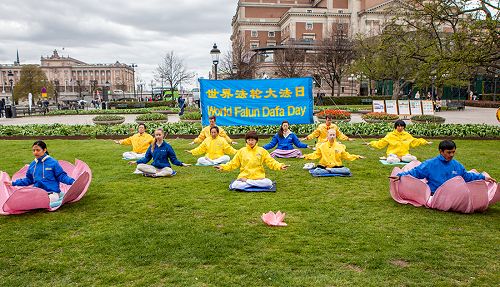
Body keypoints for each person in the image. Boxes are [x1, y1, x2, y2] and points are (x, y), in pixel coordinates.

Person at [391, 140, 496, 195]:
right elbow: (416, 172)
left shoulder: (457, 165)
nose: (451, 155)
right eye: (448, 152)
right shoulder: (430, 164)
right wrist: (400, 176)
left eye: (453, 152)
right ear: (441, 152)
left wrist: (483, 178)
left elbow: (466, 176)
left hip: (452, 194)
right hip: (434, 194)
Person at [214, 131, 289, 190]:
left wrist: (280, 166)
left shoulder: (262, 151)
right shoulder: (241, 151)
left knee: (268, 183)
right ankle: (253, 184)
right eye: (249, 140)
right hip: (245, 176)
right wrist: (222, 167)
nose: (250, 142)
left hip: (257, 177)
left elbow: (271, 161)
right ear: (246, 141)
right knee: (235, 185)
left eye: (252, 140)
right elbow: (233, 163)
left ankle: (248, 183)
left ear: (256, 141)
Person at [6, 141, 75, 204]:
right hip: (37, 192)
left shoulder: (53, 163)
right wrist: (13, 183)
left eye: (38, 150)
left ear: (44, 150)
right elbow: (29, 179)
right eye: (34, 150)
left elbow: (61, 176)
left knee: (48, 200)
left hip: (51, 192)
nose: (35, 152)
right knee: (22, 200)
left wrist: (72, 181)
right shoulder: (32, 165)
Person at [367, 120, 431, 163]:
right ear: (396, 127)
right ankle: (399, 159)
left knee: (414, 159)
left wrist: (425, 142)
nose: (400, 128)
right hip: (393, 155)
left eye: (402, 126)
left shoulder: (407, 135)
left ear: (404, 127)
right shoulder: (390, 135)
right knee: (390, 160)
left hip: (404, 155)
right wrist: (371, 143)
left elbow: (415, 141)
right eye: (398, 126)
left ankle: (400, 159)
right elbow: (380, 143)